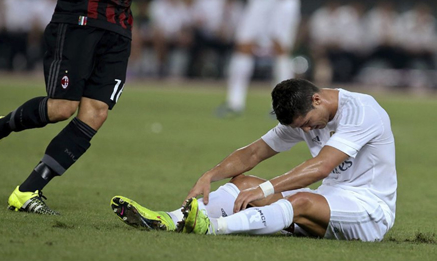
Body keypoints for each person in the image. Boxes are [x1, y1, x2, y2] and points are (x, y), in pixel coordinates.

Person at [0, 0, 181, 215]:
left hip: (119, 26)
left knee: (97, 112)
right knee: (61, 108)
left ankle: (27, 191)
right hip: (80, 17)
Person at [111, 78, 397, 242]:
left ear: (317, 100)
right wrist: (210, 175)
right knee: (243, 182)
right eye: (300, 128)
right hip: (330, 201)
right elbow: (253, 153)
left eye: (308, 123)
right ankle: (170, 219)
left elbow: (321, 166)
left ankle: (212, 228)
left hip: (369, 210)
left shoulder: (362, 111)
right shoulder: (305, 116)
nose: (307, 131)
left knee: (297, 201)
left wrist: (266, 190)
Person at [218, 0, 322, 117]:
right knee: (243, 45)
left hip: (283, 2)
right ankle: (234, 103)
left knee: (280, 49)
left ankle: (283, 106)